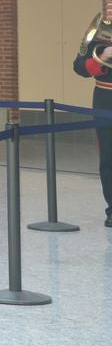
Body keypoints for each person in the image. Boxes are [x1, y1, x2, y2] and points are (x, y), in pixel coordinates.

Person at [74, 22, 112, 228]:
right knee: (109, 160)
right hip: (107, 101)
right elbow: (79, 67)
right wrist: (103, 57)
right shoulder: (101, 35)